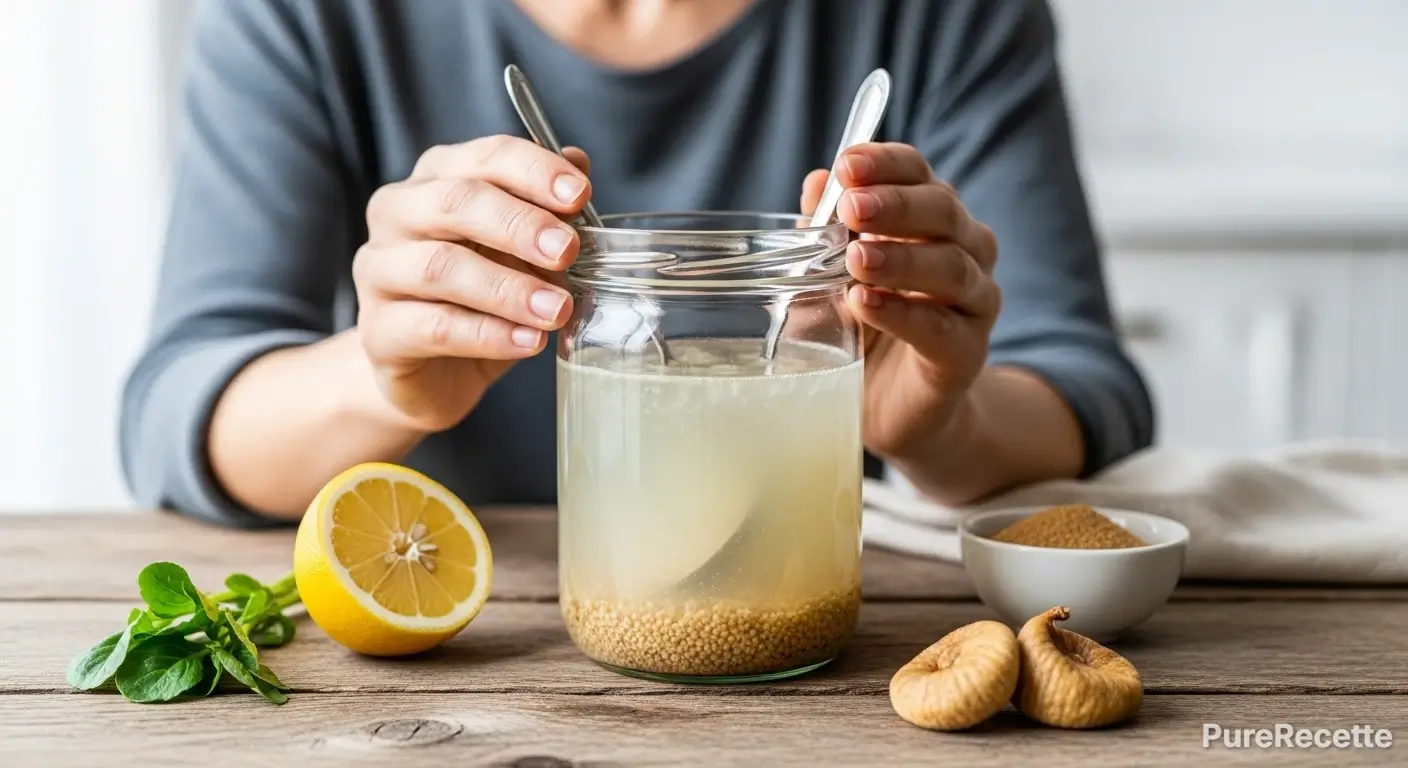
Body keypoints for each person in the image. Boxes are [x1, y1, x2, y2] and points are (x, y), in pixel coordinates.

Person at [120, 0, 1154, 528]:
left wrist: (934, 421)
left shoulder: (944, 15)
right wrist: (380, 376)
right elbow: (179, 405)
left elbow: (1083, 381)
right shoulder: (304, 16)